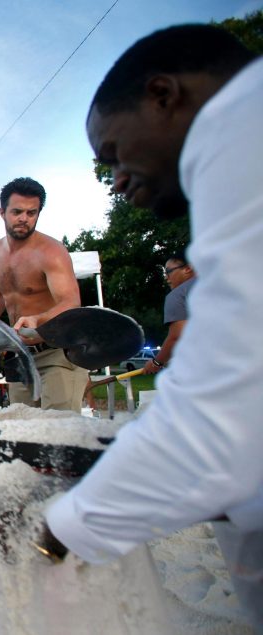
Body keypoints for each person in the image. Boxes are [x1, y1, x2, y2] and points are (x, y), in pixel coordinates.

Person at [35, 25, 262, 629]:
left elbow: (225, 415)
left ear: (163, 94)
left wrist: (58, 532)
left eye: (112, 152)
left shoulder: (242, 131)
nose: (115, 179)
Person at [0, 177, 86, 413]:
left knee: (59, 434)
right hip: (20, 356)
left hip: (57, 353)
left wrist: (38, 319)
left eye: (31, 213)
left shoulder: (52, 252)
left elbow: (71, 302)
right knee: (22, 433)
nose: (23, 219)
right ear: (2, 212)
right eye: (17, 211)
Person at [144, 254, 195, 374]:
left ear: (188, 268)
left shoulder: (178, 294)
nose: (166, 278)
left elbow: (177, 336)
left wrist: (156, 363)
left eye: (168, 272)